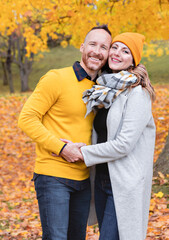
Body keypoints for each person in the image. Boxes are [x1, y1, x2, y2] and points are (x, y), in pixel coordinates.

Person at [18, 25, 112, 240]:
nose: (97, 51)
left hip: (83, 179)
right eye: (93, 44)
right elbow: (26, 118)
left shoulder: (101, 89)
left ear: (108, 54)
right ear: (82, 47)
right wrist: (61, 148)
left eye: (104, 47)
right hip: (53, 176)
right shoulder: (56, 78)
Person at [68, 32, 156, 240]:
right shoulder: (105, 89)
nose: (117, 54)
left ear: (133, 60)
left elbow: (123, 145)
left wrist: (82, 152)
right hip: (102, 179)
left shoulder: (138, 93)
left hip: (125, 181)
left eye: (125, 51)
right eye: (114, 47)